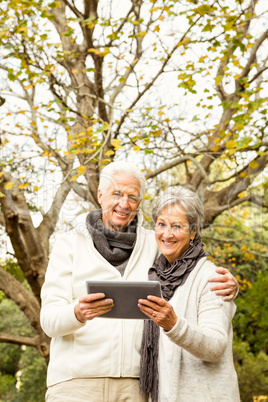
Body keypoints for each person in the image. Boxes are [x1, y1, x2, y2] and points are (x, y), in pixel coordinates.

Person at [40, 161, 239, 402]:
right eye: (116, 194)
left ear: (139, 203)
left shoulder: (154, 243)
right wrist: (77, 313)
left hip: (136, 387)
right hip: (75, 383)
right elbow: (49, 322)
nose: (124, 204)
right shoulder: (69, 244)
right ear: (100, 195)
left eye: (132, 197)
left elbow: (188, 263)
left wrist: (229, 283)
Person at [138, 186, 240, 402]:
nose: (167, 234)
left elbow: (215, 346)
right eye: (161, 224)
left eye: (177, 226)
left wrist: (174, 324)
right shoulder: (154, 274)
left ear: (193, 231)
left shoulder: (212, 277)